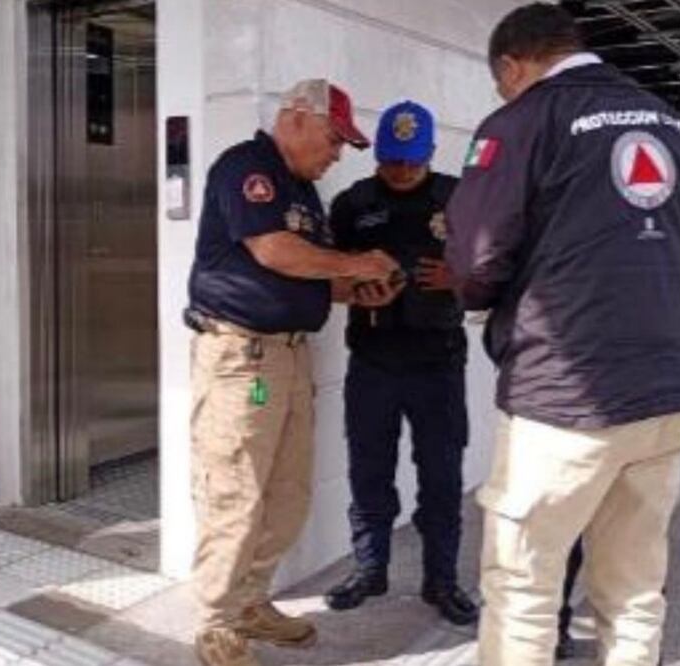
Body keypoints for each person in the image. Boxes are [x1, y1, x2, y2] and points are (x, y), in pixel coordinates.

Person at [445, 4, 680, 665]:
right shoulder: (669, 121)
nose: (502, 93)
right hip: (669, 391)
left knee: (521, 583)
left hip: (565, 400)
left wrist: (476, 288)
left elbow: (474, 262)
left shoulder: (524, 120)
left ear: (512, 64)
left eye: (500, 82)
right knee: (632, 588)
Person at [185, 79, 400, 666]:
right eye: (335, 139)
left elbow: (309, 275)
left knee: (287, 493)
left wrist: (357, 289)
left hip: (288, 354)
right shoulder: (247, 167)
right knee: (235, 491)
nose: (337, 153)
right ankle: (216, 623)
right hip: (241, 358)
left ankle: (251, 600)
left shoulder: (304, 193)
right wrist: (357, 261)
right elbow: (274, 252)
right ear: (296, 118)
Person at [323, 100, 477, 626]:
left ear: (431, 153)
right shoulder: (353, 203)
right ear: (378, 156)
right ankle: (370, 569)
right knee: (369, 470)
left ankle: (442, 581)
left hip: (439, 363)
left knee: (441, 476)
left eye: (413, 160)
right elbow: (324, 275)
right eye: (392, 160)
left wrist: (460, 278)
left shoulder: (459, 197)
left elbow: (498, 260)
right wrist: (354, 290)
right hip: (373, 363)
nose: (403, 170)